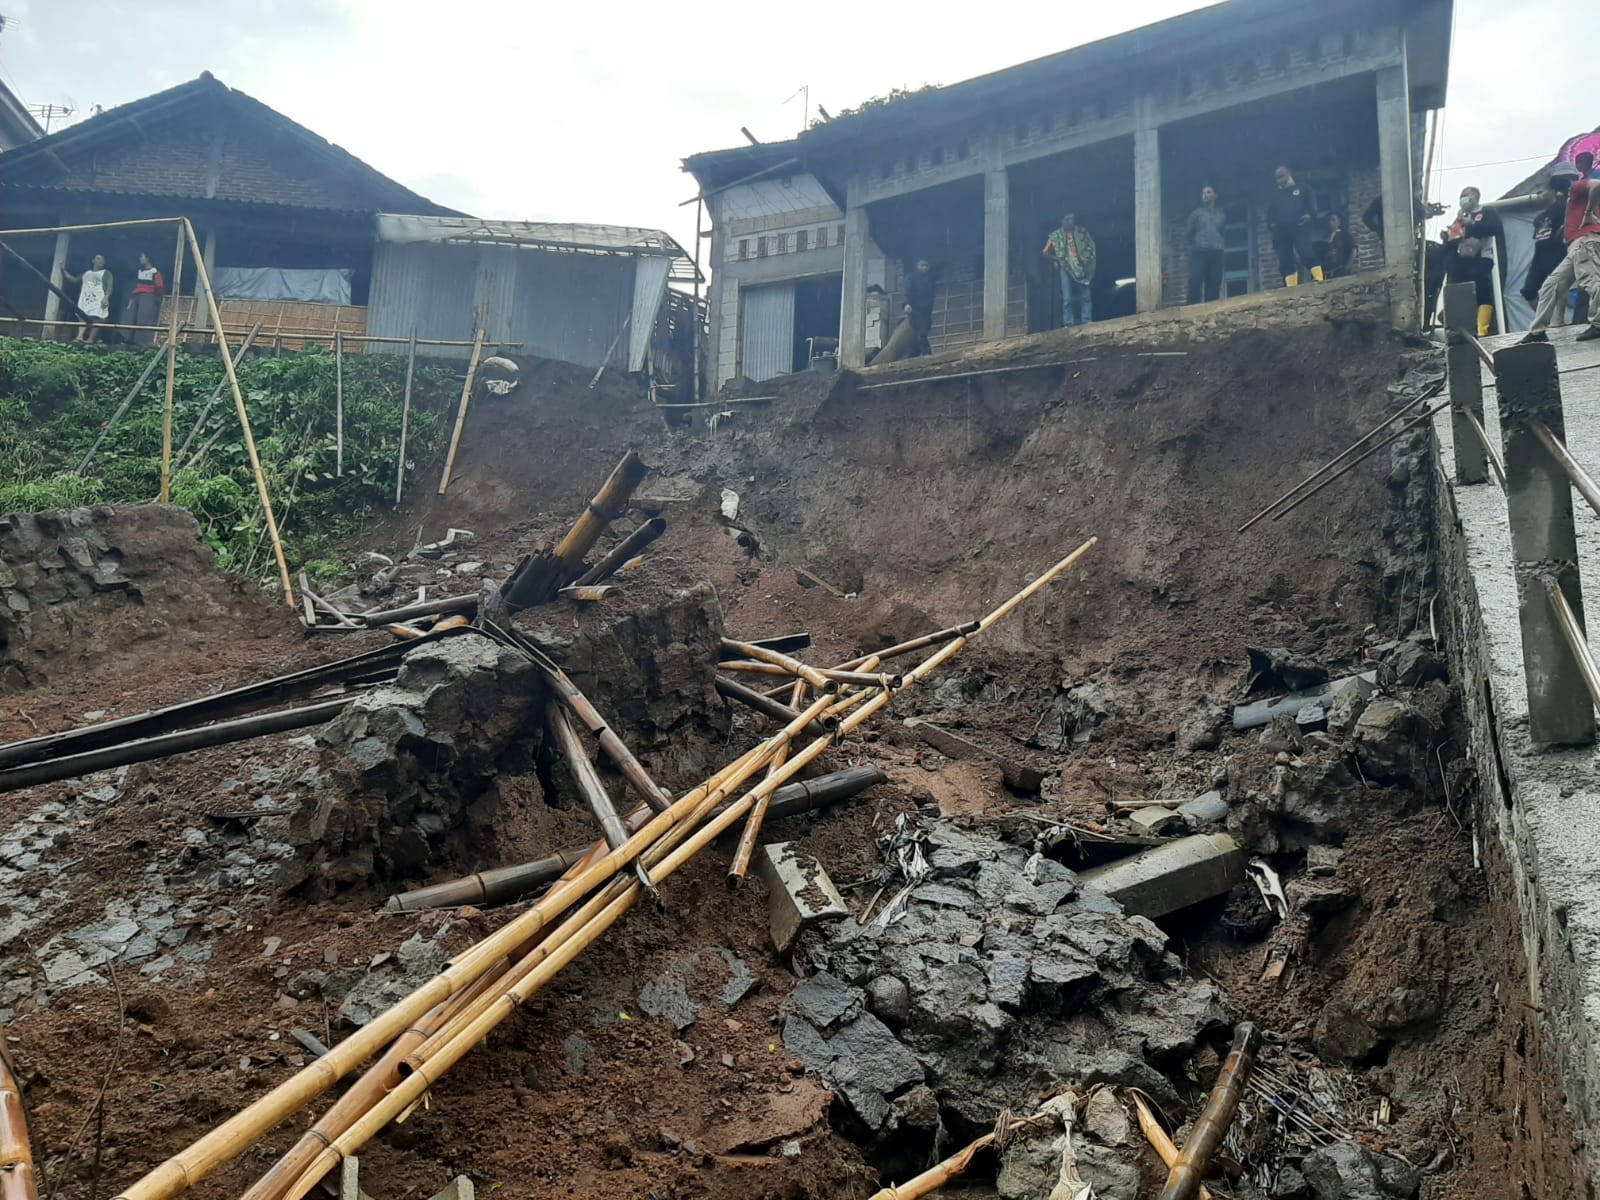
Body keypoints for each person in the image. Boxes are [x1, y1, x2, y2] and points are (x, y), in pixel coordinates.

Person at [1523, 159, 1600, 343]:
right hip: (1577, 245)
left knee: (1591, 280)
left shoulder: (1576, 187)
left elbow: (1597, 184)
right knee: (1551, 285)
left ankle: (1598, 323)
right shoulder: (1568, 202)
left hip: (1584, 242)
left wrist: (1589, 213)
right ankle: (1537, 331)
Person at [1444, 186, 1505, 336]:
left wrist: (1472, 223)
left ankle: (1481, 329)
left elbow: (1495, 228)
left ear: (1476, 196)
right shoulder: (1460, 217)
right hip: (1462, 259)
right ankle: (1461, 328)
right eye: (1461, 195)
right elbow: (1455, 239)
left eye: (1466, 195)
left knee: (1482, 291)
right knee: (1460, 290)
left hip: (1482, 258)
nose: (1463, 198)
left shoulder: (1487, 212)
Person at [1523, 175, 1575, 317]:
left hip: (1558, 252)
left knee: (1559, 286)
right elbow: (1538, 240)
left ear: (1552, 191)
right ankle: (1544, 319)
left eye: (1540, 192)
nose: (1538, 196)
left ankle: (1560, 318)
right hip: (1540, 256)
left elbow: (1570, 223)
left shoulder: (1562, 207)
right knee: (1528, 290)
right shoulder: (1539, 218)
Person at [1267, 166, 1323, 286]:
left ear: (1289, 174)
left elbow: (1312, 206)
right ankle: (1291, 286)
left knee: (1306, 253)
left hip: (1299, 226)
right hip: (1281, 231)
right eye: (1276, 178)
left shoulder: (1303, 188)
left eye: (1281, 176)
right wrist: (1272, 226)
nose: (1279, 180)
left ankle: (1319, 278)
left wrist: (1310, 215)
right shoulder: (1275, 195)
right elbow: (1270, 213)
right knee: (1285, 259)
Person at [1043, 211, 1096, 326]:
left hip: (1081, 267)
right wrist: (1057, 259)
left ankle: (1086, 320)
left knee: (1085, 296)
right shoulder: (1055, 236)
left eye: (1071, 219)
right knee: (1067, 298)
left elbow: (1090, 246)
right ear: (1061, 221)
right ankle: (1068, 323)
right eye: (1067, 219)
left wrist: (1087, 260)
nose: (1070, 221)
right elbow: (1045, 252)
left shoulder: (1081, 232)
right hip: (1065, 268)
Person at [1184, 185, 1226, 304]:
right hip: (1200, 251)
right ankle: (1192, 308)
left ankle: (1211, 308)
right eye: (1203, 193)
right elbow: (1188, 233)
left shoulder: (1221, 215)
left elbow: (1222, 232)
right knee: (1195, 281)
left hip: (1216, 252)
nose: (1205, 195)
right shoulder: (1196, 214)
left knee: (1214, 281)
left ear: (1215, 195)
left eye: (1208, 192)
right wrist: (1195, 245)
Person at [61, 253, 113, 343]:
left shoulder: (106, 273)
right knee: (82, 317)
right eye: (98, 259)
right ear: (93, 261)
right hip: (86, 299)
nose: (100, 261)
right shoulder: (87, 273)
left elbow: (110, 286)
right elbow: (74, 280)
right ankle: (79, 337)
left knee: (98, 318)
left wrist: (106, 297)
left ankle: (90, 339)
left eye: (102, 260)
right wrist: (63, 270)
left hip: (99, 299)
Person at [120, 252, 165, 345]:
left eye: (142, 257)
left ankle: (141, 341)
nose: (140, 259)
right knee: (130, 317)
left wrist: (154, 297)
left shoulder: (155, 272)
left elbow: (159, 286)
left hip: (148, 296)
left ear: (148, 259)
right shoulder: (139, 271)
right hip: (136, 296)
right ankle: (128, 338)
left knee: (143, 318)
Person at [904, 258, 936, 357]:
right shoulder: (912, 277)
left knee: (922, 332)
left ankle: (913, 355)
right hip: (915, 309)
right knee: (921, 333)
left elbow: (931, 295)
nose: (924, 268)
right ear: (917, 266)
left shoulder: (929, 279)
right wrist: (907, 304)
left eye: (926, 265)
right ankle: (927, 354)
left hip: (926, 310)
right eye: (922, 265)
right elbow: (907, 291)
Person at [1323, 213, 1355, 278]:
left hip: (1341, 269)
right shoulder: (1325, 237)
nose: (1330, 222)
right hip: (1328, 271)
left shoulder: (1345, 235)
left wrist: (1346, 267)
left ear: (1339, 222)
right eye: (1329, 220)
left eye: (1333, 220)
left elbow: (1353, 251)